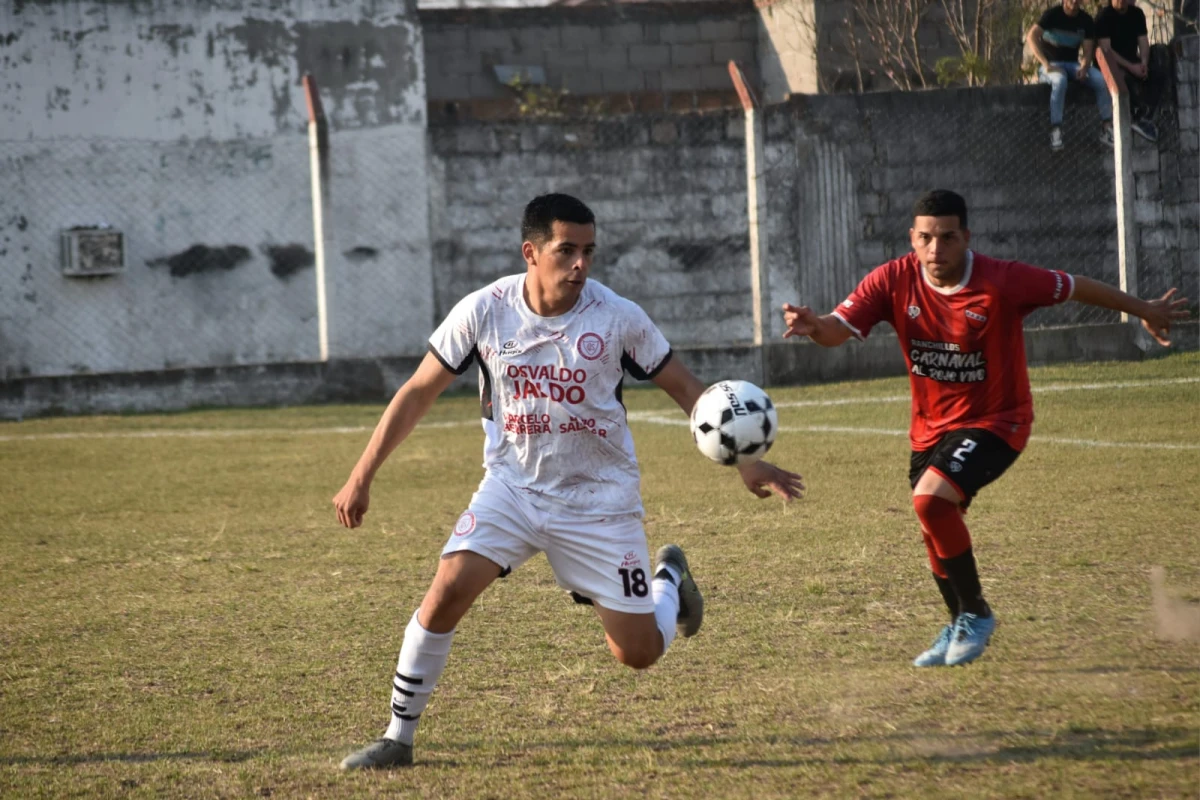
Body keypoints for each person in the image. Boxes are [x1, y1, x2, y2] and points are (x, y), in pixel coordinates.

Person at [334, 193, 805, 769]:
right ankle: (397, 738)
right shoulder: (484, 311)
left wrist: (744, 460)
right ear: (531, 253)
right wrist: (362, 475)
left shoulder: (618, 317)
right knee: (447, 591)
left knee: (636, 654)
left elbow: (688, 389)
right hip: (512, 488)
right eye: (566, 251)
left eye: (588, 251)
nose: (580, 264)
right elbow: (417, 391)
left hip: (600, 500)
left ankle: (668, 579)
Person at [781, 189, 1190, 668]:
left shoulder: (1004, 280)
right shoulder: (892, 279)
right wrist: (814, 327)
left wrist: (1142, 308)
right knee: (934, 526)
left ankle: (976, 613)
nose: (937, 250)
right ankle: (957, 619)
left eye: (948, 238)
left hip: (999, 421)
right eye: (927, 239)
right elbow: (838, 328)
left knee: (930, 500)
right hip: (930, 430)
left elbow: (1075, 285)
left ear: (966, 237)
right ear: (912, 239)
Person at [1026, 0, 1114, 151]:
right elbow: (1031, 37)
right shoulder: (1052, 15)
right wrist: (1046, 64)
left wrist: (1085, 67)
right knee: (1060, 82)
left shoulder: (1085, 20)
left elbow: (1087, 51)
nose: (1073, 1)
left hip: (1073, 64)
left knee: (1100, 79)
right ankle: (1056, 130)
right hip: (1051, 65)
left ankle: (1106, 128)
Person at [1097, 0, 1163, 142]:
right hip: (1112, 63)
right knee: (1124, 78)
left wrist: (1143, 63)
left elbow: (1144, 43)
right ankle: (1134, 115)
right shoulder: (1104, 16)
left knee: (1157, 74)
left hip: (1133, 60)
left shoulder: (1137, 14)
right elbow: (1106, 50)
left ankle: (1145, 117)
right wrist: (1131, 67)